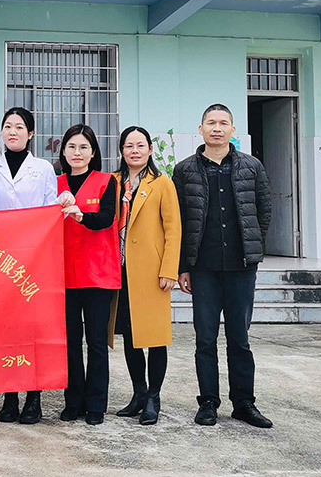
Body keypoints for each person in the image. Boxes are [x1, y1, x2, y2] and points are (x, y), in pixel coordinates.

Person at [173, 104, 273, 429]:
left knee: (239, 339)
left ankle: (244, 403)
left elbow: (263, 210)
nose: (217, 128)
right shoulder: (184, 170)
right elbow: (178, 220)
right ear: (200, 129)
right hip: (202, 268)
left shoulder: (251, 166)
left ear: (233, 130)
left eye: (223, 123)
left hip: (241, 267)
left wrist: (253, 247)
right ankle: (208, 402)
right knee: (205, 339)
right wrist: (183, 266)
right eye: (211, 123)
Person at [0, 107, 59, 425]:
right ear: (1, 132)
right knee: (5, 329)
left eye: (19, 127)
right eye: (8, 126)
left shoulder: (43, 169)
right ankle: (9, 396)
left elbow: (49, 212)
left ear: (31, 133)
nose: (13, 131)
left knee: (33, 329)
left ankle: (34, 396)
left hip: (34, 259)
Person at [111, 126, 181, 426]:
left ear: (150, 149)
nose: (135, 151)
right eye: (129, 145)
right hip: (120, 270)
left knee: (155, 337)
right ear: (122, 150)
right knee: (131, 335)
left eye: (140, 145)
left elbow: (173, 229)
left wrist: (169, 270)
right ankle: (139, 393)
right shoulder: (113, 182)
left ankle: (154, 397)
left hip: (151, 272)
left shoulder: (162, 183)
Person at [56, 124, 119, 425]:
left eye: (83, 147)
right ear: (63, 151)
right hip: (63, 275)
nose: (77, 153)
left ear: (93, 152)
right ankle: (73, 402)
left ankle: (96, 405)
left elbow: (107, 219)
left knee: (96, 342)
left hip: (97, 274)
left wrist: (81, 216)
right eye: (71, 146)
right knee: (70, 342)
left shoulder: (107, 182)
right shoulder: (54, 183)